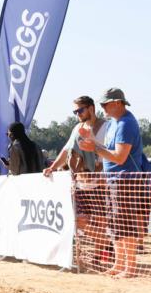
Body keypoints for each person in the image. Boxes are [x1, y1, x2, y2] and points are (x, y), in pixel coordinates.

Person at [79, 88, 151, 278]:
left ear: (118, 103)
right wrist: (92, 145)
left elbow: (119, 157)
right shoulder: (113, 123)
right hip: (114, 180)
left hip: (125, 180)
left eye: (105, 104)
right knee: (115, 223)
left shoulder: (126, 124)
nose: (101, 108)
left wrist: (94, 148)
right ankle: (120, 264)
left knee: (124, 223)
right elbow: (109, 152)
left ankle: (131, 267)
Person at [44, 96, 108, 268]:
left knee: (100, 221)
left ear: (91, 108)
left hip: (100, 182)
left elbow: (111, 153)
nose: (77, 114)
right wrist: (53, 167)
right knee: (78, 221)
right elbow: (66, 150)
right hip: (79, 182)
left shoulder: (106, 126)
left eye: (80, 110)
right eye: (75, 111)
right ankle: (104, 244)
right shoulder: (77, 128)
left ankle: (96, 256)